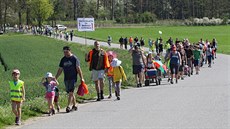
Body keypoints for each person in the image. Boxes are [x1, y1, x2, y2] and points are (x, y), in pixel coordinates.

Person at [55, 46, 85, 113]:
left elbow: (78, 69)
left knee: (71, 92)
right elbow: (60, 69)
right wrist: (56, 77)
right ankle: (74, 105)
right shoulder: (63, 59)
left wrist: (81, 78)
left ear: (70, 51)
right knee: (70, 93)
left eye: (66, 52)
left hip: (73, 78)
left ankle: (68, 106)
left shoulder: (74, 58)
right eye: (64, 52)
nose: (65, 53)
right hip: (66, 78)